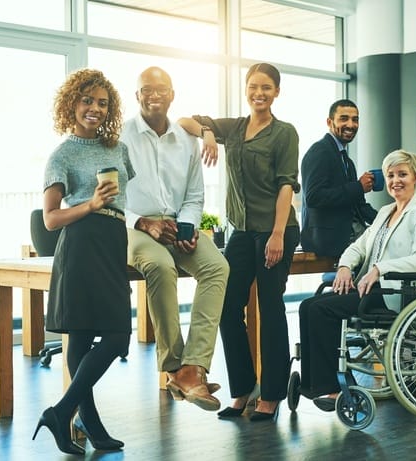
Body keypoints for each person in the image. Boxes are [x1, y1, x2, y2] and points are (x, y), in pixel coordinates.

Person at [178, 63, 301, 421]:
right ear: (246, 90)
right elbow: (184, 120)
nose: (258, 93)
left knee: (270, 307)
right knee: (227, 307)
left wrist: (277, 234)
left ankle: (272, 395)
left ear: (276, 92)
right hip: (241, 232)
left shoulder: (284, 133)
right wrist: (208, 134)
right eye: (253, 87)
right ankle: (243, 389)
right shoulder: (234, 128)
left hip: (274, 229)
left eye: (266, 87)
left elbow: (285, 186)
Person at [33, 69, 134, 454]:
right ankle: (72, 416)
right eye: (87, 100)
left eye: (102, 103)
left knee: (102, 334)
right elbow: (50, 218)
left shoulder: (118, 149)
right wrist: (91, 203)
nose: (94, 108)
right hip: (81, 242)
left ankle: (76, 419)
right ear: (72, 103)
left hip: (112, 240)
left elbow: (124, 200)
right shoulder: (62, 155)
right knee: (105, 335)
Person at [121, 66, 229, 412]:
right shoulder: (120, 138)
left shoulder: (187, 140)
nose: (154, 94)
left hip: (176, 224)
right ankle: (173, 366)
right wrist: (144, 223)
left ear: (172, 94)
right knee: (159, 265)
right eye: (146, 89)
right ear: (137, 96)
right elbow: (112, 198)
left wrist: (187, 226)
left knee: (217, 267)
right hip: (133, 226)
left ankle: (193, 367)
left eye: (161, 88)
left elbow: (195, 195)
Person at [298, 150, 416, 411]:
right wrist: (343, 266)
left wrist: (379, 268)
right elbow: (358, 246)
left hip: (393, 292)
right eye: (391, 175)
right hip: (370, 289)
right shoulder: (386, 212)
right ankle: (313, 385)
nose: (396, 180)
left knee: (321, 309)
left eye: (402, 174)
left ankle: (331, 387)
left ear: (415, 177)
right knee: (308, 305)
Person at [300, 99, 378, 257]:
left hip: (349, 235)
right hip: (328, 239)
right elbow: (314, 197)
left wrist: (389, 218)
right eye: (344, 118)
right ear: (329, 122)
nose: (350, 124)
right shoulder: (319, 152)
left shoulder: (346, 161)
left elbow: (359, 205)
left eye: (355, 120)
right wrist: (358, 187)